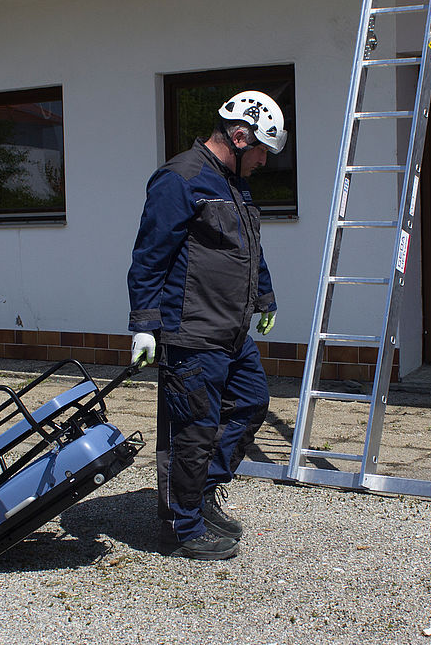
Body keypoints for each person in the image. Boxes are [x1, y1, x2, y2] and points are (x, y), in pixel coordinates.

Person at [127, 90, 287, 560]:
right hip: (192, 330)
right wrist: (143, 324)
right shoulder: (180, 180)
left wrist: (265, 295)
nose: (263, 161)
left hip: (232, 329)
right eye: (261, 151)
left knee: (253, 401)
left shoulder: (233, 182)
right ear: (240, 137)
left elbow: (248, 247)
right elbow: (149, 257)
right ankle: (185, 527)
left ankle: (198, 494)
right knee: (194, 428)